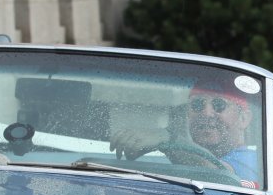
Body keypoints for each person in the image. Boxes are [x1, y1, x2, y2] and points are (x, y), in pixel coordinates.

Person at [110, 79, 261, 187]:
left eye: (219, 105)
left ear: (243, 119)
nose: (206, 113)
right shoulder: (179, 161)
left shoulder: (255, 161)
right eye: (197, 104)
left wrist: (167, 140)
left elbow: (218, 175)